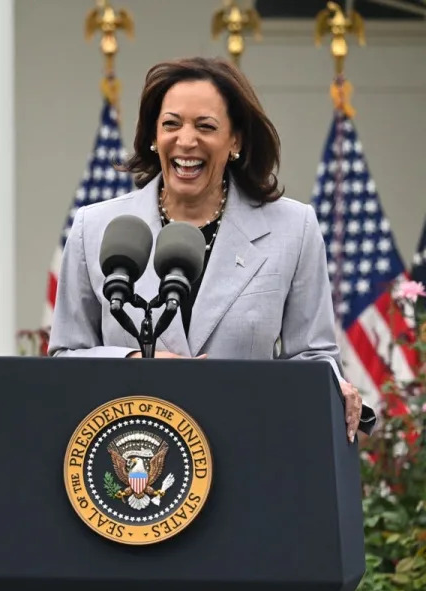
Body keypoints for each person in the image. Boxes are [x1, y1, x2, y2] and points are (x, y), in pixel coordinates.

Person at [48, 57, 373, 440]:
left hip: (250, 448)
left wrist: (338, 385)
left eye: (206, 126)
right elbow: (65, 357)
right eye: (171, 124)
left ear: (235, 140)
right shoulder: (95, 227)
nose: (186, 141)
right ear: (154, 136)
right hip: (133, 457)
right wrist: (135, 360)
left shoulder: (293, 228)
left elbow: (314, 357)